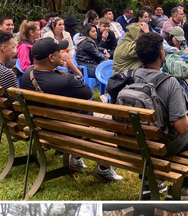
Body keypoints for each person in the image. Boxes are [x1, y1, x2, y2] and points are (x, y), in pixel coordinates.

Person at [22, 38, 123, 181]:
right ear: (51, 58)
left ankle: (75, 160)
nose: (63, 54)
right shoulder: (64, 81)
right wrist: (68, 72)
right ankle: (103, 168)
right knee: (118, 122)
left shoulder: (28, 75)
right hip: (73, 130)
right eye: (59, 52)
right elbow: (87, 92)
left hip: (47, 128)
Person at [130, 32, 188, 197]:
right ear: (162, 53)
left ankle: (148, 182)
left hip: (133, 143)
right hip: (160, 146)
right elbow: (181, 128)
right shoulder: (169, 82)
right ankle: (181, 188)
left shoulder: (129, 76)